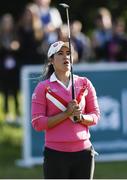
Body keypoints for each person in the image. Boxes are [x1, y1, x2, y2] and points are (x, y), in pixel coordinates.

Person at [31, 40, 100, 179]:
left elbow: (95, 116)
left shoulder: (85, 83)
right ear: (51, 60)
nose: (66, 57)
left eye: (69, 53)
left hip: (84, 153)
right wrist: (66, 114)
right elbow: (38, 123)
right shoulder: (43, 88)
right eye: (60, 54)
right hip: (55, 154)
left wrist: (81, 117)